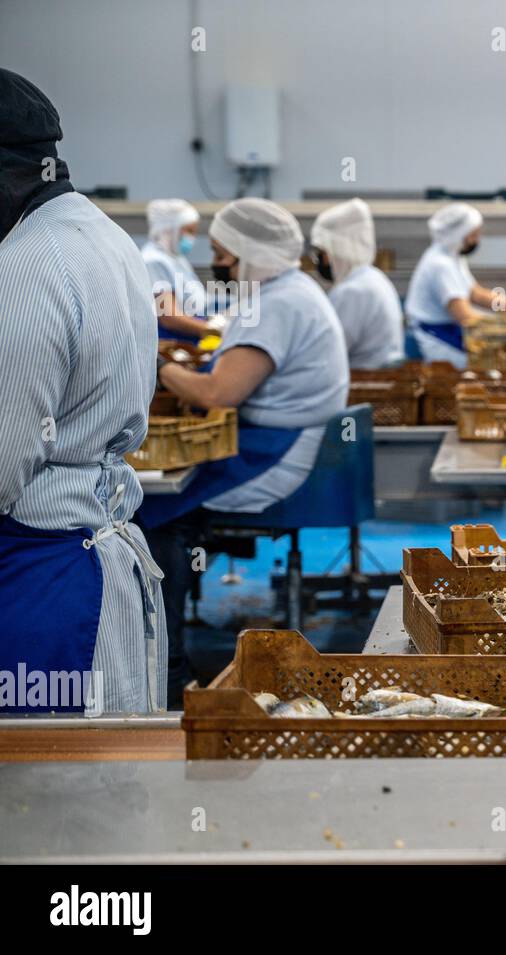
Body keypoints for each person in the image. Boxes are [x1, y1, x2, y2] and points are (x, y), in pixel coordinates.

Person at [136, 198, 348, 705]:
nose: (220, 264)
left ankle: (167, 672)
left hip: (270, 450)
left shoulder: (279, 302)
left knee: (155, 513)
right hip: (271, 438)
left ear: (250, 252)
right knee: (162, 507)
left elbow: (217, 394)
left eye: (223, 254)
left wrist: (157, 367)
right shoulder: (286, 290)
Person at [0, 68, 166, 713]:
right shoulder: (101, 234)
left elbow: (4, 462)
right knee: (94, 794)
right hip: (91, 556)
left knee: (35, 800)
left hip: (38, 574)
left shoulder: (22, 266)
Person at [406, 202, 506, 365]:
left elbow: (476, 294)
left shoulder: (453, 256)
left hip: (450, 329)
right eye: (473, 235)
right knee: (493, 363)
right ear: (459, 234)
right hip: (437, 337)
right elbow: (465, 317)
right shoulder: (440, 265)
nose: (476, 240)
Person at [309, 198, 404, 369]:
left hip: (362, 382)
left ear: (335, 250)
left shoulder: (352, 291)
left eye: (322, 253)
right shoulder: (374, 278)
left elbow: (324, 353)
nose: (320, 260)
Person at [141, 198, 214, 343]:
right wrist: (214, 331)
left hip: (190, 333)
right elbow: (170, 318)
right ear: (169, 229)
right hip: (173, 339)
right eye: (189, 231)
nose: (192, 238)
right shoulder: (154, 261)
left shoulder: (176, 258)